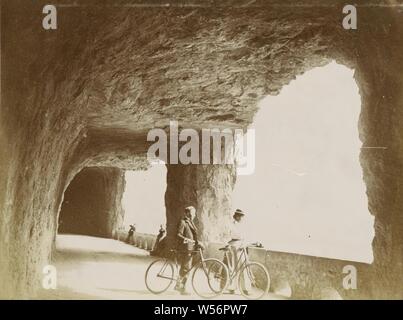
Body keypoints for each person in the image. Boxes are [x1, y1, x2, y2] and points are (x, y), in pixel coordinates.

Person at [175, 206, 200, 295]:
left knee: (186, 268)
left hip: (190, 248)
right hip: (185, 248)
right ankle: (181, 287)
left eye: (194, 213)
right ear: (187, 213)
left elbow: (194, 235)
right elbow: (178, 234)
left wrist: (198, 243)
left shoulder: (191, 222)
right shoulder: (183, 222)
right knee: (186, 268)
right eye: (192, 213)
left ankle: (180, 285)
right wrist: (187, 239)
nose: (193, 214)